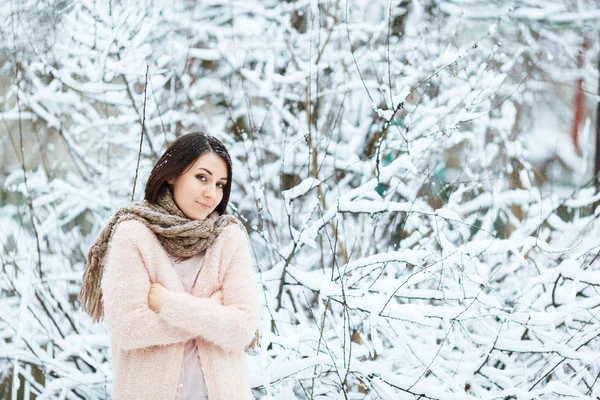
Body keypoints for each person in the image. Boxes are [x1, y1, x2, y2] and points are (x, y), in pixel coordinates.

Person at [78, 131, 260, 400]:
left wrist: (168, 306)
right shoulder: (134, 233)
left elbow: (243, 328)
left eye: (220, 184)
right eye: (202, 177)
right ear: (172, 175)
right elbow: (127, 329)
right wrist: (211, 311)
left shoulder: (228, 237)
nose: (212, 194)